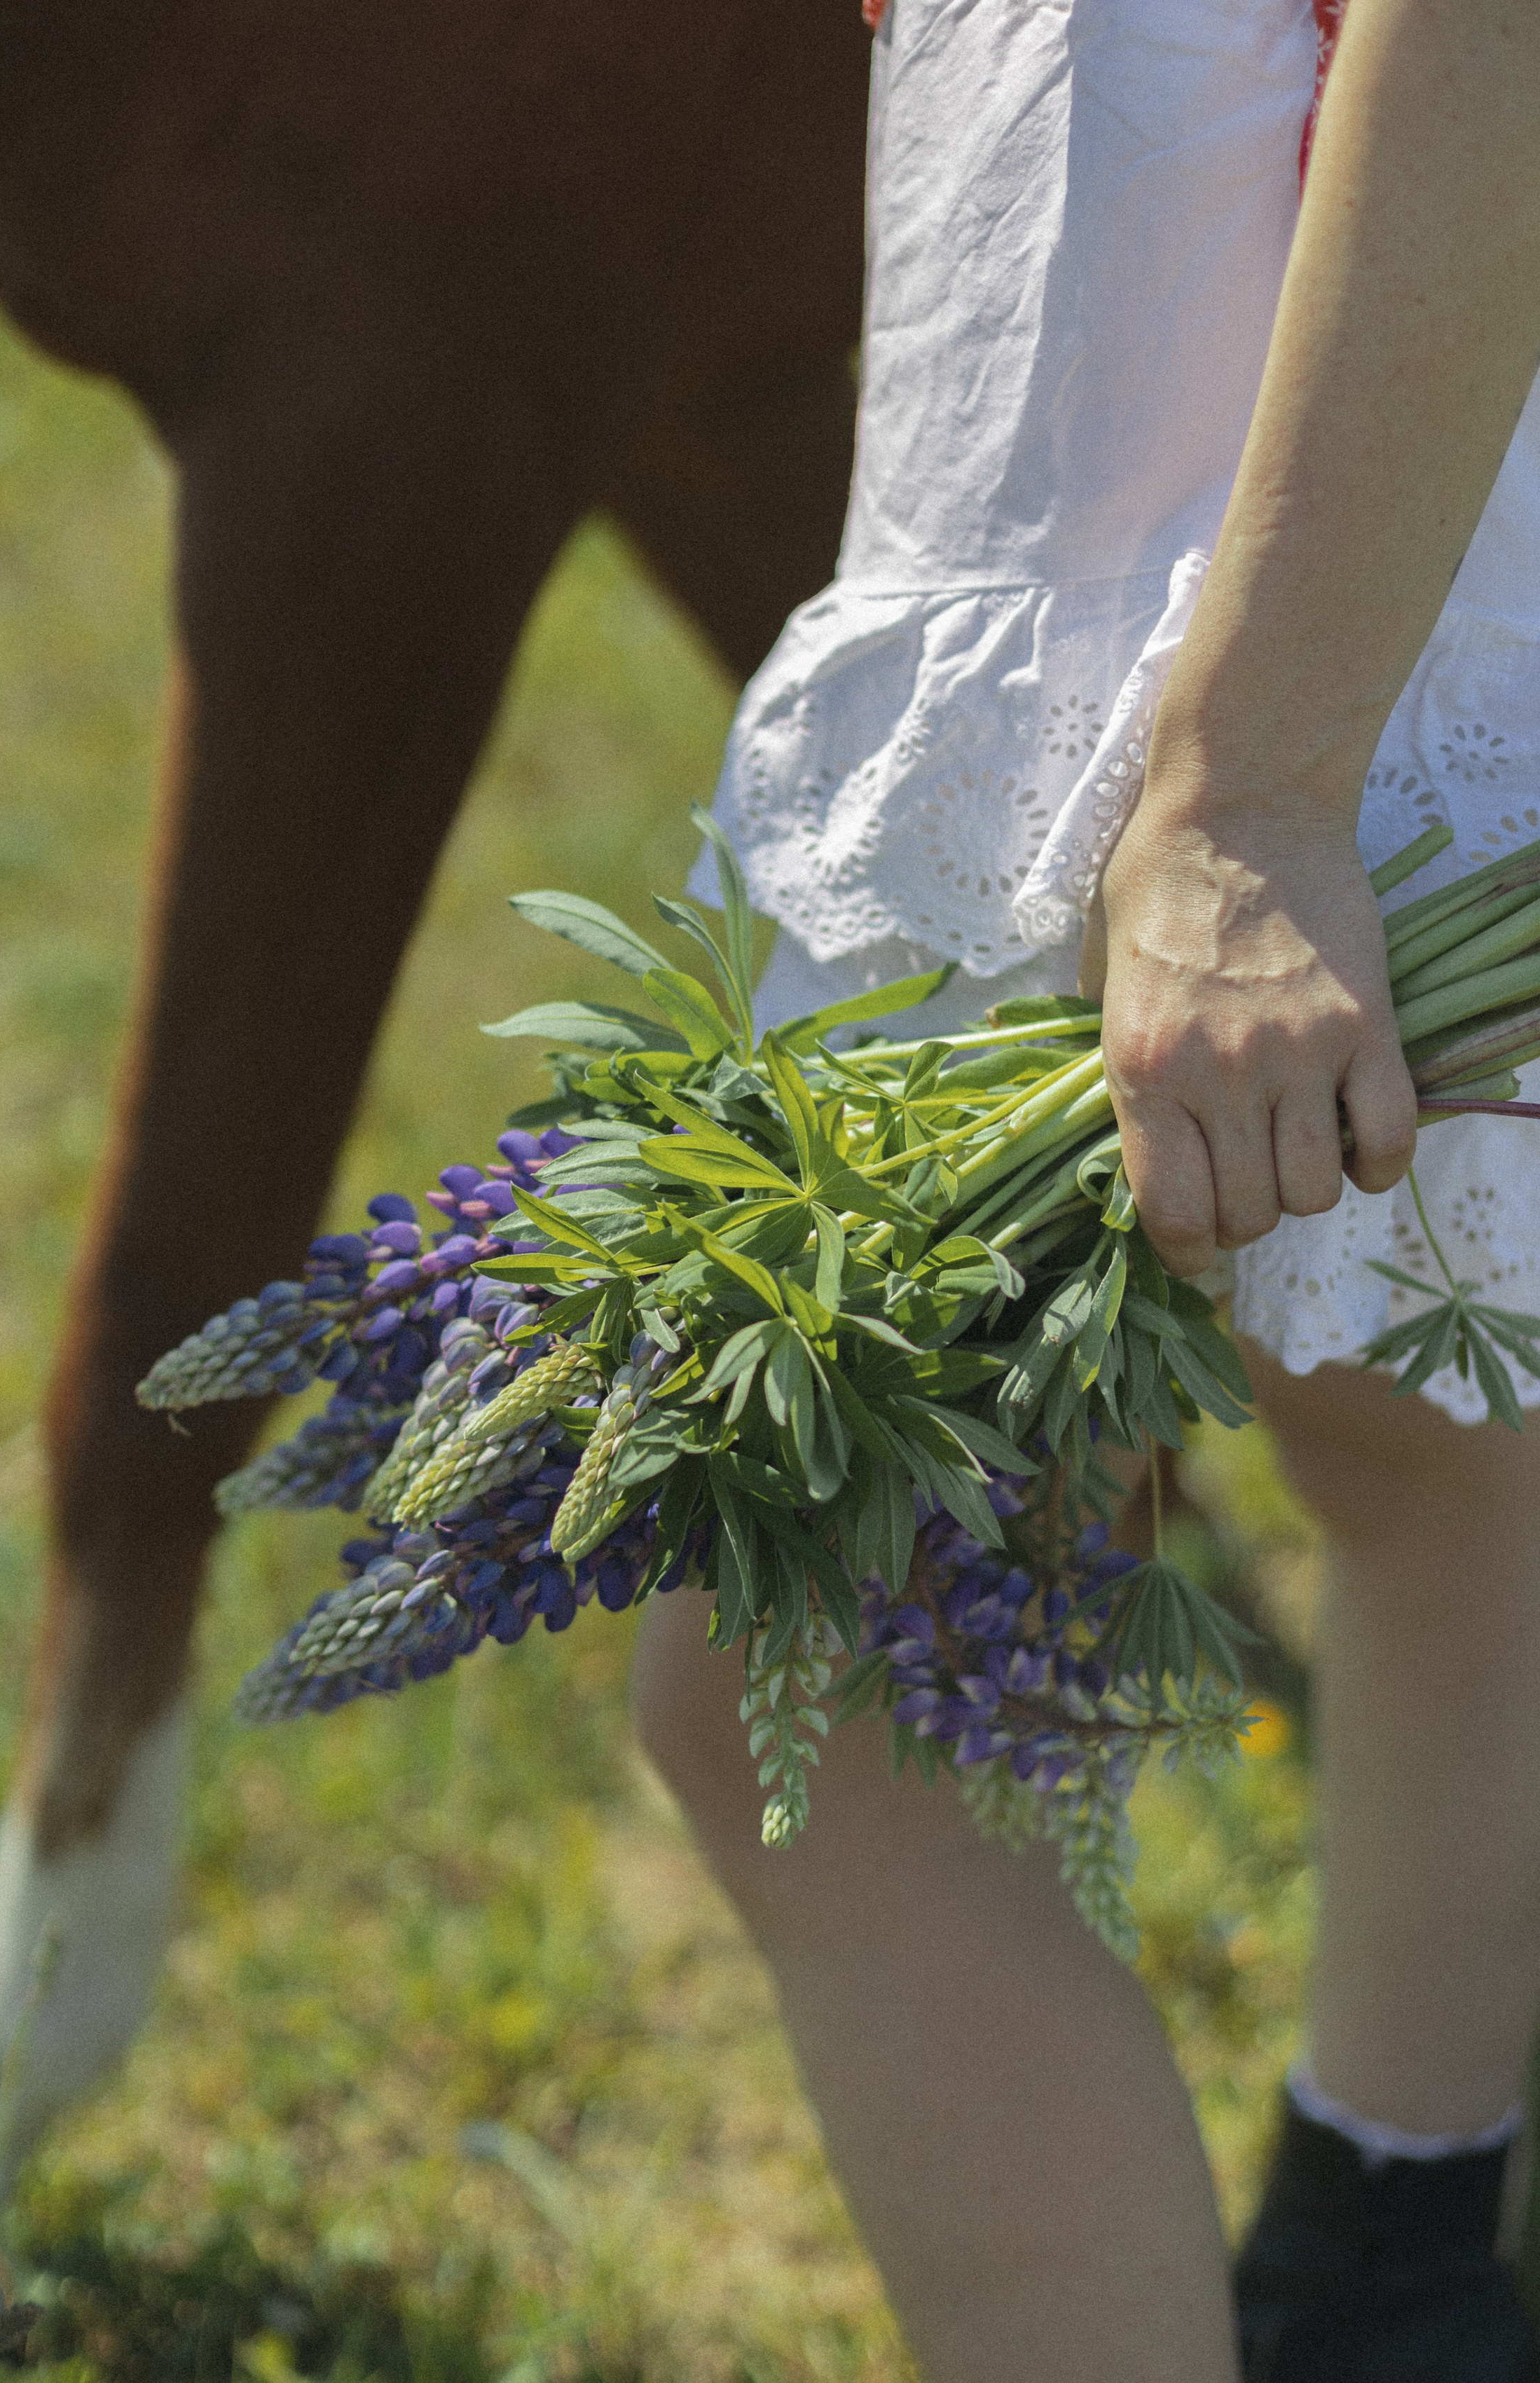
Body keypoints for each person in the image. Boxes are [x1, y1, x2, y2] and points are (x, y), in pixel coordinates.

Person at [631, 1, 1540, 2376]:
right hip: (1311, 406)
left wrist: (1251, 786)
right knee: (1435, 1419)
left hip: (1259, 508)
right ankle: (1401, 2266)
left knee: (798, 1670)